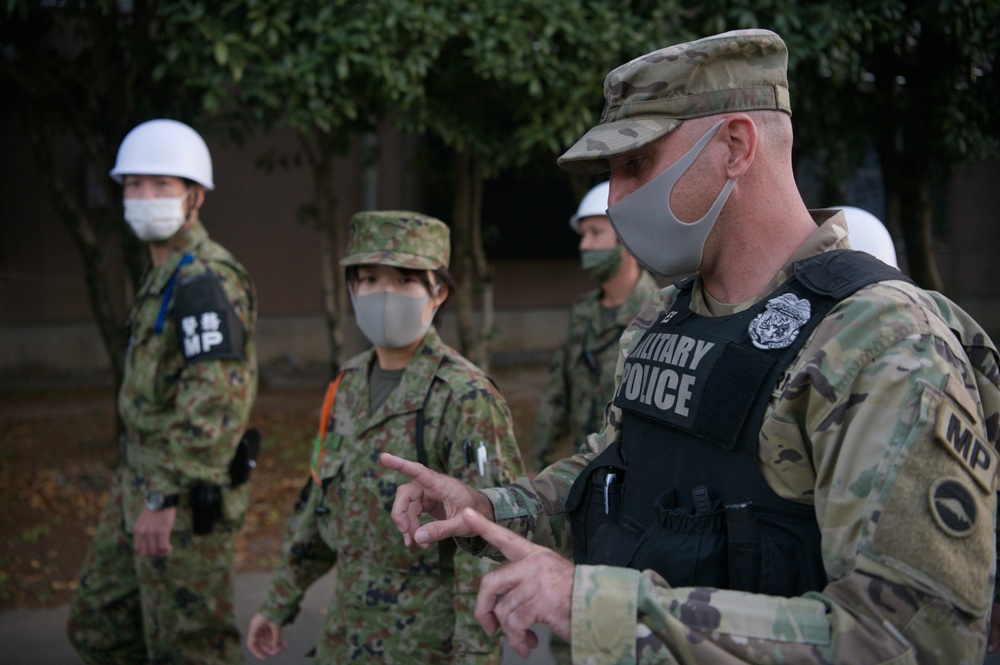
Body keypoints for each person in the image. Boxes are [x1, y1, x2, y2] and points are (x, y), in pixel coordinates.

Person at [384, 28, 1000, 664]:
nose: (618, 199)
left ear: (734, 146)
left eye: (637, 164)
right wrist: (489, 507)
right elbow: (610, 478)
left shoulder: (880, 341)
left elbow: (912, 639)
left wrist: (601, 608)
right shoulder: (666, 317)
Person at [246, 211, 525, 664]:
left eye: (405, 280)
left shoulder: (465, 396)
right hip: (345, 635)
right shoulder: (346, 386)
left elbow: (489, 541)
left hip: (425, 643)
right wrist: (278, 604)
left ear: (439, 293)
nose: (384, 294)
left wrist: (475, 655)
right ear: (352, 289)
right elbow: (318, 503)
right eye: (370, 278)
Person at [67, 119, 258, 664]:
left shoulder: (206, 279)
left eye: (160, 185)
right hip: (139, 482)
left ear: (194, 197)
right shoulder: (160, 275)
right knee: (98, 624)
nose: (143, 197)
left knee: (190, 648)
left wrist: (162, 496)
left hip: (178, 493)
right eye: (133, 185)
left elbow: (217, 401)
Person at [530, 181, 658, 472]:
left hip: (634, 474)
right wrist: (537, 464)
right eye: (584, 234)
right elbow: (557, 393)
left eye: (595, 233)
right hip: (583, 471)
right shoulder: (583, 311)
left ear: (627, 238)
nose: (584, 245)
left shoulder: (659, 312)